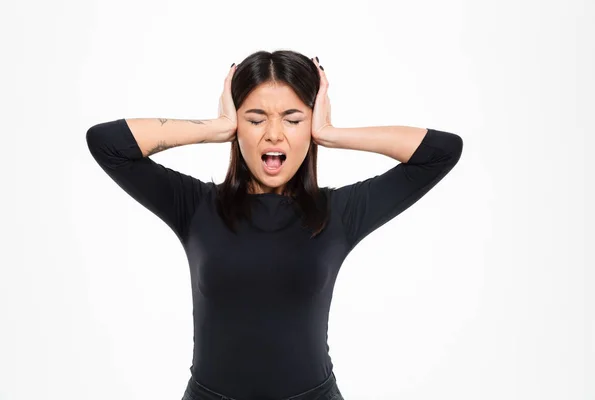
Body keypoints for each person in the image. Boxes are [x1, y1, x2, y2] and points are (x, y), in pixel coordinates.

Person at [86, 50, 463, 400]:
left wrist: (330, 133)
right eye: (254, 119)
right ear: (238, 126)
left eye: (293, 119)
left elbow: (441, 153)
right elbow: (107, 143)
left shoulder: (340, 212)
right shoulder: (195, 205)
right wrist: (216, 127)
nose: (273, 134)